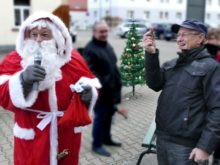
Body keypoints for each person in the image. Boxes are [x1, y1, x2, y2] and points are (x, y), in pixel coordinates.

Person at [0, 12, 101, 165]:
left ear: (57, 37)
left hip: (65, 131)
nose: (38, 39)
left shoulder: (73, 59)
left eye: (44, 34)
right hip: (31, 132)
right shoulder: (14, 59)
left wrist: (89, 93)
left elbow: (92, 83)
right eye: (34, 34)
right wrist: (22, 80)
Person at [143, 19, 220, 165]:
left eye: (184, 34)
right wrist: (151, 54)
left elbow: (217, 110)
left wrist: (205, 147)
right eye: (178, 35)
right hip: (162, 138)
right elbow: (154, 84)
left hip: (187, 145)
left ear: (201, 38)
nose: (179, 38)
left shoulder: (212, 68)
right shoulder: (172, 64)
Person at [83, 21, 122, 157]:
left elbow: (113, 65)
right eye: (101, 31)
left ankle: (107, 139)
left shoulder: (107, 46)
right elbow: (90, 72)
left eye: (106, 31)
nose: (104, 34)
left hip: (112, 91)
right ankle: (97, 144)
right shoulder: (90, 49)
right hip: (101, 93)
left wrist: (117, 82)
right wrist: (105, 84)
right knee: (100, 118)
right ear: (94, 32)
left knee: (109, 117)